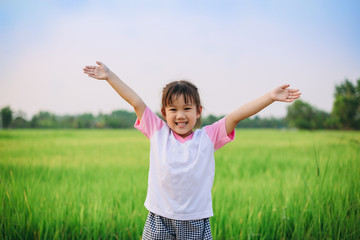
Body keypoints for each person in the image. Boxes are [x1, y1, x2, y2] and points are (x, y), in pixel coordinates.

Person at [83, 61, 301, 240]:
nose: (180, 115)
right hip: (159, 218)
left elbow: (236, 116)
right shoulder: (158, 132)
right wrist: (110, 76)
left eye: (187, 108)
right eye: (173, 109)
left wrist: (270, 97)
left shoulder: (207, 137)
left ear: (198, 112)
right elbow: (135, 101)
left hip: (195, 221)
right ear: (164, 113)